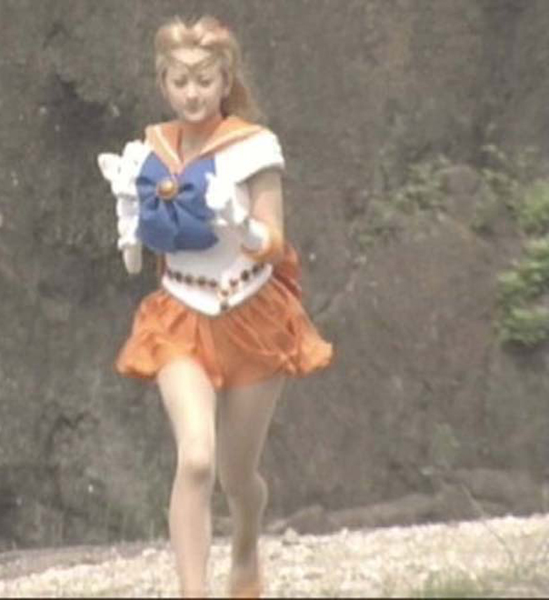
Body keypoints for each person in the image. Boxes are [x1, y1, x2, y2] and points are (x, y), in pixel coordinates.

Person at [97, 15, 333, 598]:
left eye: (204, 80)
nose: (192, 93)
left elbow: (274, 241)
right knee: (196, 459)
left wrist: (241, 223)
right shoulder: (150, 152)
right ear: (163, 83)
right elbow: (146, 243)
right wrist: (130, 225)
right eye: (180, 80)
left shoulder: (254, 148)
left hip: (250, 311)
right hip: (180, 316)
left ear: (226, 81)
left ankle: (246, 546)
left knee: (236, 474)